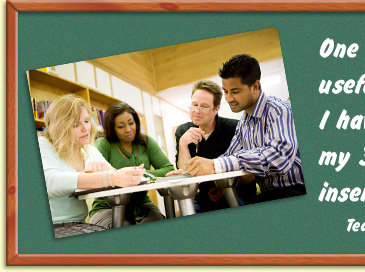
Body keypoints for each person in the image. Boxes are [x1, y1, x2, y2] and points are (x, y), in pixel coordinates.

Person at [182, 54, 305, 202]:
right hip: (268, 194)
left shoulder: (278, 110)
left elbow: (278, 158)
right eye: (226, 91)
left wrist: (216, 165)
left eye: (235, 91)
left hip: (294, 191)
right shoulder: (244, 122)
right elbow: (229, 156)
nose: (228, 98)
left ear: (255, 87)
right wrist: (189, 171)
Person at [38, 94, 146, 238]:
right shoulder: (43, 144)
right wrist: (107, 177)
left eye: (87, 121)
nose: (85, 129)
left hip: (79, 223)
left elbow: (113, 175)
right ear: (60, 127)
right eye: (76, 125)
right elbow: (50, 182)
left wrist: (124, 175)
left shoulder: (88, 149)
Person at [170, 80, 257, 212]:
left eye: (204, 106)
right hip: (204, 198)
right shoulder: (183, 131)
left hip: (237, 194)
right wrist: (183, 144)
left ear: (216, 109)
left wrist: (224, 185)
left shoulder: (236, 128)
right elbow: (186, 173)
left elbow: (251, 172)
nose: (197, 111)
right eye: (194, 105)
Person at [89, 102, 174, 228]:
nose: (128, 129)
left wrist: (137, 175)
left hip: (142, 206)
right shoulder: (103, 144)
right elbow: (96, 176)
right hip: (107, 207)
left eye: (131, 123)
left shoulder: (146, 141)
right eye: (121, 126)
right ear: (112, 128)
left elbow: (168, 169)